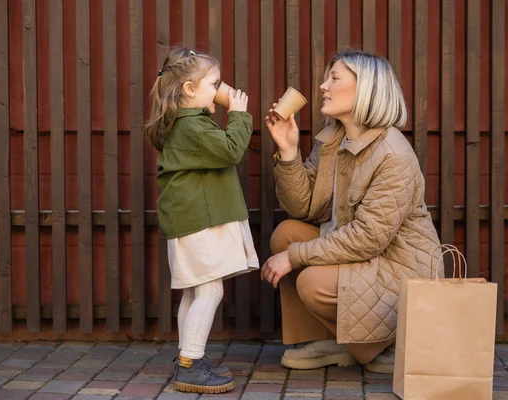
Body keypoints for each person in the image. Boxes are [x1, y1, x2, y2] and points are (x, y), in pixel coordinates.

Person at [261, 49, 442, 374]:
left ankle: (382, 349)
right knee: (286, 234)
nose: (322, 86)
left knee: (309, 278)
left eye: (334, 78)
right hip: (363, 257)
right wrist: (288, 151)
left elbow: (368, 238)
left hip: (397, 269)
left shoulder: (393, 155)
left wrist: (294, 256)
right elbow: (302, 207)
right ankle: (328, 340)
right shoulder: (334, 139)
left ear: (365, 89)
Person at [145, 47, 259, 393]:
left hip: (191, 219)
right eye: (215, 83)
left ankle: (188, 357)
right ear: (190, 90)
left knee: (196, 291)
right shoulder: (192, 126)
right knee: (210, 289)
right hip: (199, 220)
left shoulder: (185, 123)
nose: (220, 89)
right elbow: (230, 150)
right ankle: (190, 365)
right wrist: (239, 114)